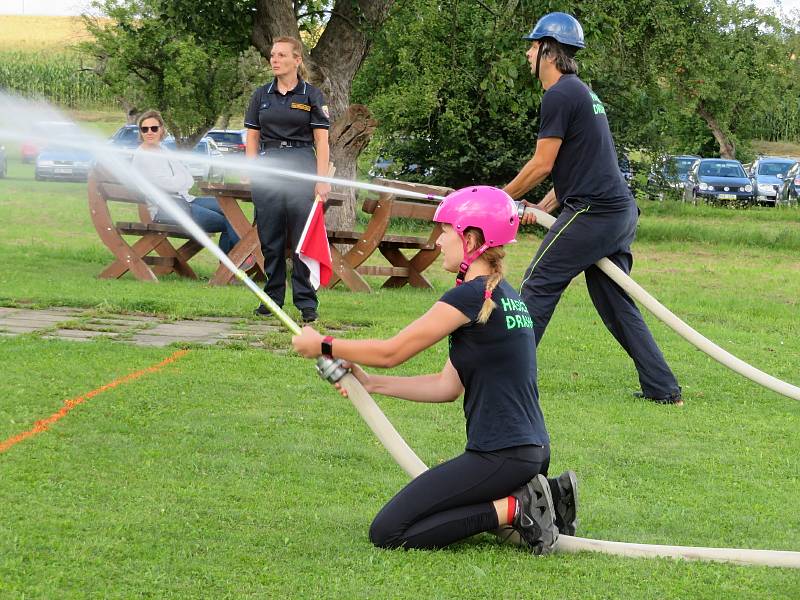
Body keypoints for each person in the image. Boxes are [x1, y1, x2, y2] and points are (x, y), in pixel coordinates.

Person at [292, 186, 578, 553]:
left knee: (389, 531)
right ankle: (546, 495)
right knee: (434, 509)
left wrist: (323, 344)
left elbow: (392, 351)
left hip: (502, 455)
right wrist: (371, 383)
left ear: (471, 238)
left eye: (445, 231)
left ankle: (518, 506)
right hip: (528, 452)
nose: (439, 241)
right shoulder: (504, 296)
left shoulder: (471, 296)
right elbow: (447, 386)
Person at [503, 13, 683, 406]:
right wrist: (543, 204)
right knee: (616, 303)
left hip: (595, 213)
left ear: (549, 52)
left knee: (538, 282)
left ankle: (505, 377)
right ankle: (663, 388)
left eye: (533, 47)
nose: (527, 54)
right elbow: (579, 166)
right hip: (616, 212)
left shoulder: (559, 95)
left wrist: (500, 196)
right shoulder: (580, 92)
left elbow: (542, 164)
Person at [244, 36, 331, 324]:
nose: (274, 59)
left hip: (301, 167)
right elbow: (253, 137)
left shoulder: (311, 95)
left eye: (281, 55)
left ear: (297, 60)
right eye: (272, 55)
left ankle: (307, 303)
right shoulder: (261, 95)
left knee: (300, 240)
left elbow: (322, 140)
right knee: (270, 239)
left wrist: (321, 179)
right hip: (269, 168)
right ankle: (272, 299)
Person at [131, 110, 251, 267]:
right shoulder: (142, 156)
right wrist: (178, 181)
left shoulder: (163, 150)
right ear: (140, 132)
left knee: (228, 207)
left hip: (184, 200)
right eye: (144, 129)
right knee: (228, 220)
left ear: (161, 129)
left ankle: (230, 266)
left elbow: (187, 179)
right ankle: (241, 257)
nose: (149, 132)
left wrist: (177, 181)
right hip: (167, 209)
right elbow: (168, 183)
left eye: (153, 128)